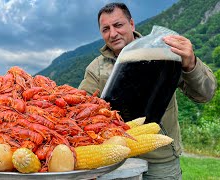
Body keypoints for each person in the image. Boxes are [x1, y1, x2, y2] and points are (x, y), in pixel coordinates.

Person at [78, 2, 217, 179]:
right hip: (116, 161)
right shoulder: (95, 68)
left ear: (132, 24)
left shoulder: (164, 52)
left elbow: (206, 94)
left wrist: (191, 64)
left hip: (161, 160)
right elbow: (82, 112)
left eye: (118, 25)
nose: (112, 33)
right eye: (106, 29)